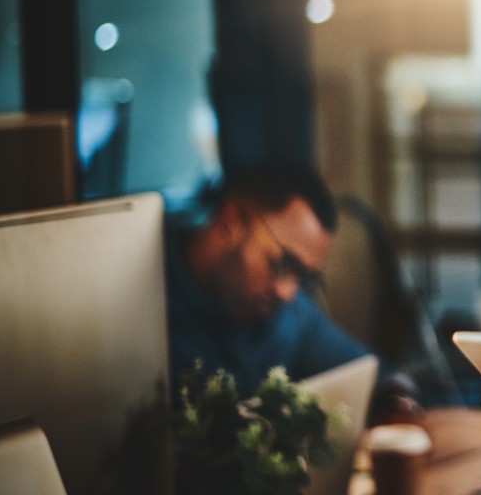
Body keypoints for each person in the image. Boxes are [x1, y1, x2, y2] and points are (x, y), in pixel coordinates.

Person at [165, 166, 423, 424]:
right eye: (282, 263)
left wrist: (398, 402)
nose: (287, 292)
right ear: (230, 222)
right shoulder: (151, 306)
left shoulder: (288, 315)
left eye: (303, 276)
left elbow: (378, 376)